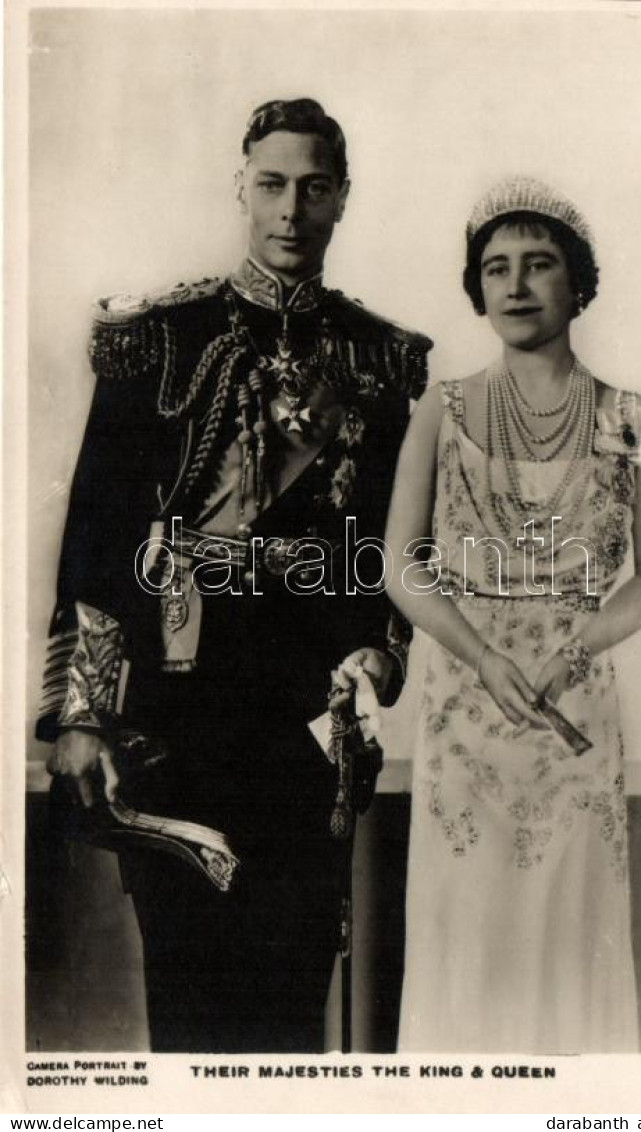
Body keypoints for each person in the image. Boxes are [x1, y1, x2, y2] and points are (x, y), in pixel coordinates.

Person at [37, 97, 431, 1053]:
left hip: (305, 720)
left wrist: (379, 654)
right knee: (190, 1001)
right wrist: (83, 716)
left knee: (291, 1006)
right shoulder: (159, 339)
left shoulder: (380, 361)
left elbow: (390, 541)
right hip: (177, 716)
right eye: (272, 186)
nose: (291, 209)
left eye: (314, 188)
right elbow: (98, 535)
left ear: (343, 200)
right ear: (240, 189)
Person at [384, 176, 641, 1053]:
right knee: (466, 937)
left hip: (572, 717)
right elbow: (400, 567)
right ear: (475, 287)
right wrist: (480, 655)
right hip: (463, 719)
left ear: (577, 282)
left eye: (539, 264)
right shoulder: (439, 412)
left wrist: (576, 650)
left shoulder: (631, 418)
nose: (515, 285)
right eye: (496, 267)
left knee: (565, 937)